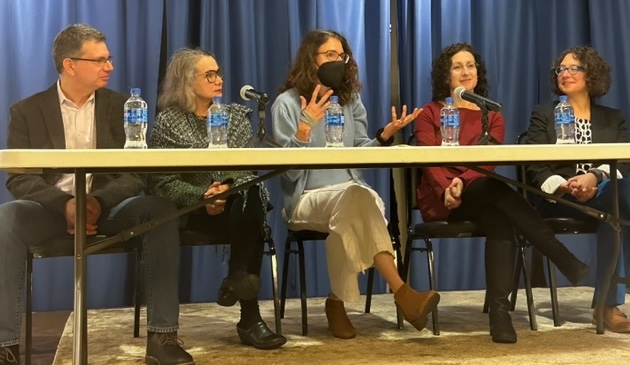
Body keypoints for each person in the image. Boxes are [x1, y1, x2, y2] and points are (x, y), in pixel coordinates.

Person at [0, 24, 193, 365]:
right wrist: (67, 205)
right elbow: (20, 178)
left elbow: (136, 171)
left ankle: (163, 337)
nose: (110, 67)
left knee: (159, 209)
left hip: (109, 206)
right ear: (70, 65)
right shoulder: (26, 111)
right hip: (51, 211)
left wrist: (96, 203)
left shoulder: (123, 106)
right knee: (2, 218)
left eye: (109, 59)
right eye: (100, 60)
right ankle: (3, 346)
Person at [414, 42, 590, 344]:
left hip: (479, 193)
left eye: (470, 66)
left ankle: (499, 312)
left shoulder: (491, 114)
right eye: (457, 66)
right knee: (496, 190)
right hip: (440, 198)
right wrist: (447, 188)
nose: (465, 71)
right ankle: (560, 257)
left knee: (498, 210)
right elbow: (428, 158)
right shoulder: (430, 113)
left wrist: (462, 182)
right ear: (446, 76)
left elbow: (486, 161)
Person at [270, 29, 438, 340]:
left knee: (355, 201)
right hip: (306, 198)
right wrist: (305, 128)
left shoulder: (350, 101)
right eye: (329, 55)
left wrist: (384, 136)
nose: (337, 61)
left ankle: (337, 302)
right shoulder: (287, 104)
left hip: (350, 193)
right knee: (357, 200)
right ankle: (401, 292)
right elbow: (286, 173)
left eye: (341, 55)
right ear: (311, 59)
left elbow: (359, 152)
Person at [148, 48, 287, 350]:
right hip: (191, 208)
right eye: (208, 74)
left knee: (251, 193)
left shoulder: (234, 117)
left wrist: (224, 189)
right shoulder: (168, 122)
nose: (218, 79)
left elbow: (246, 169)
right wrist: (203, 195)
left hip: (236, 206)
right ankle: (248, 316)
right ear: (186, 81)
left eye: (218, 72)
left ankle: (238, 279)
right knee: (252, 213)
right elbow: (161, 183)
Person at [525, 45, 630, 333]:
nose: (565, 73)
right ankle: (607, 306)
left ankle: (606, 305)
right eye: (561, 69)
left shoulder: (613, 118)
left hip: (604, 194)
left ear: (591, 75)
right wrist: (566, 186)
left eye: (574, 68)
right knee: (620, 207)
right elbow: (533, 165)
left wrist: (594, 177)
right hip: (559, 199)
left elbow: (623, 163)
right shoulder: (544, 114)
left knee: (617, 204)